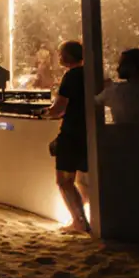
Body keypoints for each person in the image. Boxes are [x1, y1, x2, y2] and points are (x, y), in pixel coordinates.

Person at [43, 41, 93, 235]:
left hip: (71, 132)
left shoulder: (71, 76)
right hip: (86, 131)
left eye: (62, 53)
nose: (59, 57)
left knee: (64, 180)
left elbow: (59, 108)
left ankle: (79, 222)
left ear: (70, 56)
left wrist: (45, 112)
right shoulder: (90, 74)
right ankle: (85, 219)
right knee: (81, 179)